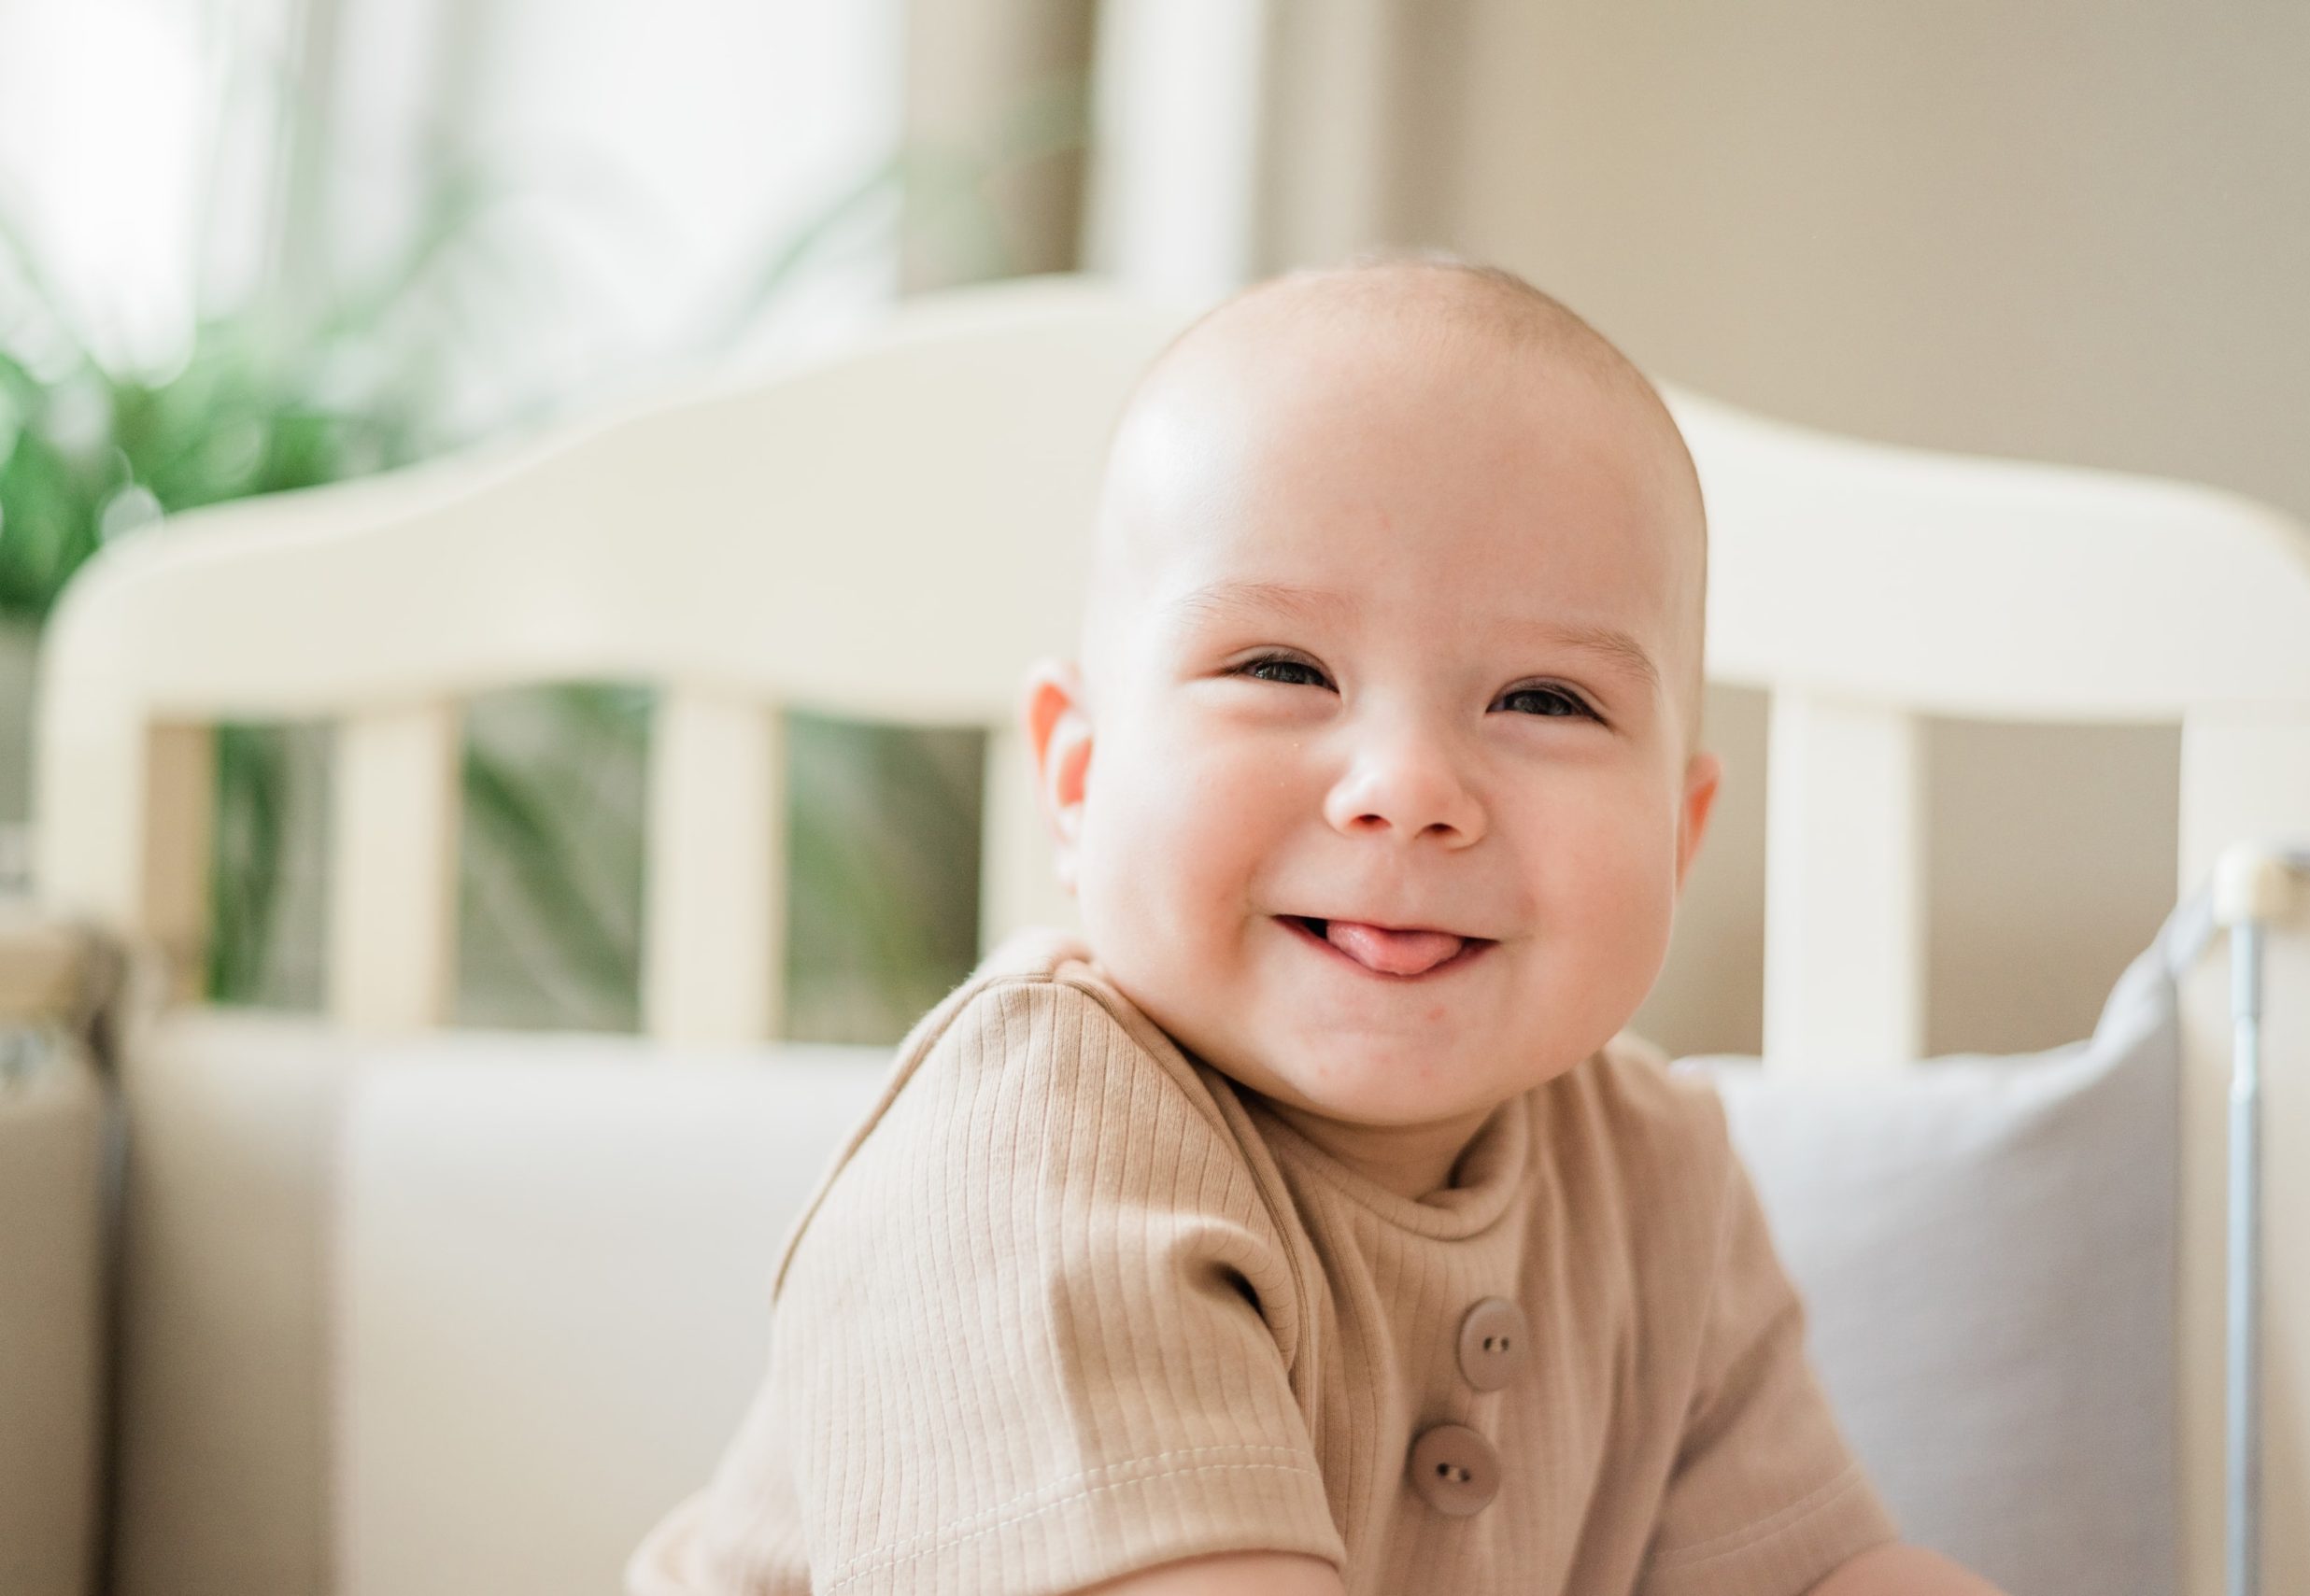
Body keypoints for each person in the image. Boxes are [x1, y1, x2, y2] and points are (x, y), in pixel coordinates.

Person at [626, 253, 2009, 1595]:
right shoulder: (1036, 1137)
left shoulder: (1656, 1179)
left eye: (1544, 699)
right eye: (1282, 667)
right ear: (1080, 779)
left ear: (1680, 835)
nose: (1407, 790)